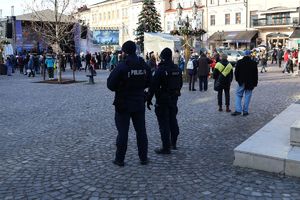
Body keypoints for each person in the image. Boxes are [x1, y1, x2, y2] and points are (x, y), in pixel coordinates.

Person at [107, 41, 151, 166]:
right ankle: (143, 158)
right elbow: (150, 80)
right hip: (138, 102)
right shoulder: (143, 64)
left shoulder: (122, 66)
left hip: (123, 103)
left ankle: (120, 159)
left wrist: (121, 87)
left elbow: (110, 84)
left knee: (123, 132)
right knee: (141, 131)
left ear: (124, 52)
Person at [146, 48, 183, 154]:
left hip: (162, 99)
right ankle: (174, 143)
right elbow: (180, 84)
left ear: (162, 57)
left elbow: (153, 86)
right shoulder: (177, 69)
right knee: (173, 120)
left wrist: (149, 99)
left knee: (164, 123)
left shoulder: (160, 70)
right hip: (173, 98)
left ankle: (166, 147)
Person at [232, 50, 258, 116]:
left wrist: (238, 80)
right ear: (250, 55)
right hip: (250, 82)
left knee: (238, 95)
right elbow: (255, 74)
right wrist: (255, 83)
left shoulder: (239, 62)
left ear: (244, 54)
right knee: (247, 96)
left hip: (241, 82)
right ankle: (245, 111)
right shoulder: (253, 63)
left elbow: (236, 72)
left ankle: (238, 110)